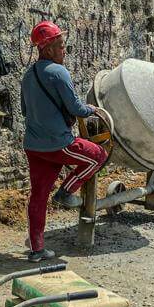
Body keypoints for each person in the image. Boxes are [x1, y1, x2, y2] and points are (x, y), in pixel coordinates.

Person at [20, 21, 107, 262]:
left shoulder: (27, 77)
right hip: (59, 143)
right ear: (47, 49)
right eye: (60, 46)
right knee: (97, 156)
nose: (64, 50)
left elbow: (25, 110)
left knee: (38, 195)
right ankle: (67, 191)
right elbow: (75, 108)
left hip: (34, 146)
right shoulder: (59, 73)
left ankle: (37, 249)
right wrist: (92, 109)